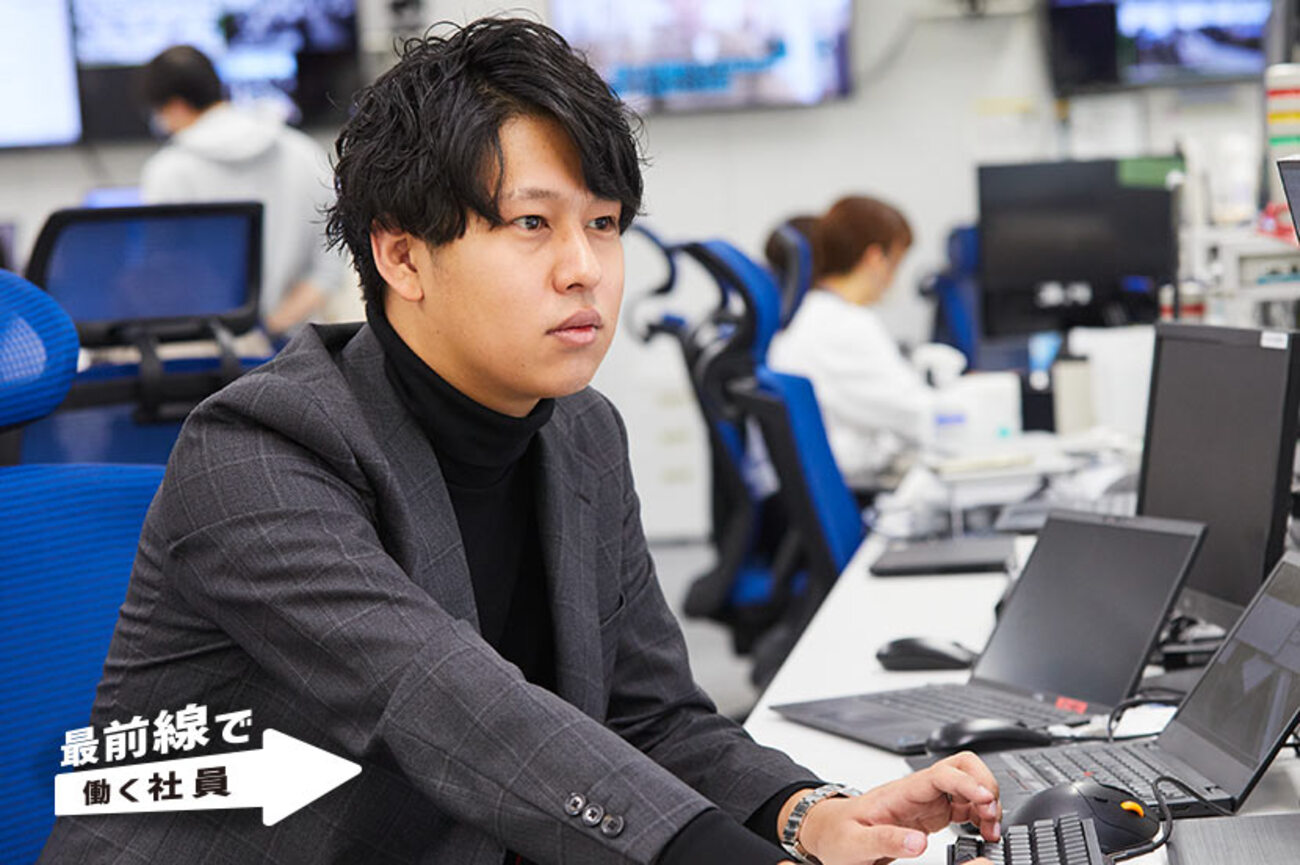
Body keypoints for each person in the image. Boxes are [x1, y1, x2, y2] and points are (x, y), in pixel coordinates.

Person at [40, 20, 1000, 865]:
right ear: (401, 254)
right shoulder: (257, 451)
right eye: (533, 223)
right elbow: (447, 705)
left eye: (605, 224)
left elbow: (648, 716)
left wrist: (806, 813)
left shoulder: (581, 433)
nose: (585, 269)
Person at [139, 45, 341, 337]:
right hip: (297, 345)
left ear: (175, 106)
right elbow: (330, 267)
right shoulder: (303, 152)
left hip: (207, 349)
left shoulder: (167, 171)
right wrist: (268, 332)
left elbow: (166, 279)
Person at [768, 196, 962, 489]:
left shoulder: (814, 314)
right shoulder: (841, 325)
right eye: (896, 262)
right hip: (851, 487)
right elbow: (916, 415)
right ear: (875, 258)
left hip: (827, 483)